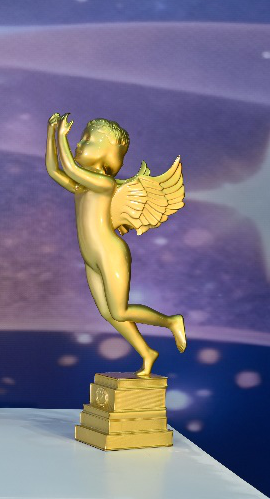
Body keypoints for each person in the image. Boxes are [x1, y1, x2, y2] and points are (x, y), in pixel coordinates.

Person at [46, 113, 186, 377]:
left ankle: (170, 321)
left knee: (120, 311)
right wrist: (51, 132)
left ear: (107, 153)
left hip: (109, 253)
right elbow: (54, 170)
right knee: (108, 313)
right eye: (80, 139)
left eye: (87, 140)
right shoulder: (81, 187)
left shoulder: (104, 183)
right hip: (91, 257)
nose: (79, 144)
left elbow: (70, 168)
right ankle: (147, 353)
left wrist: (62, 136)